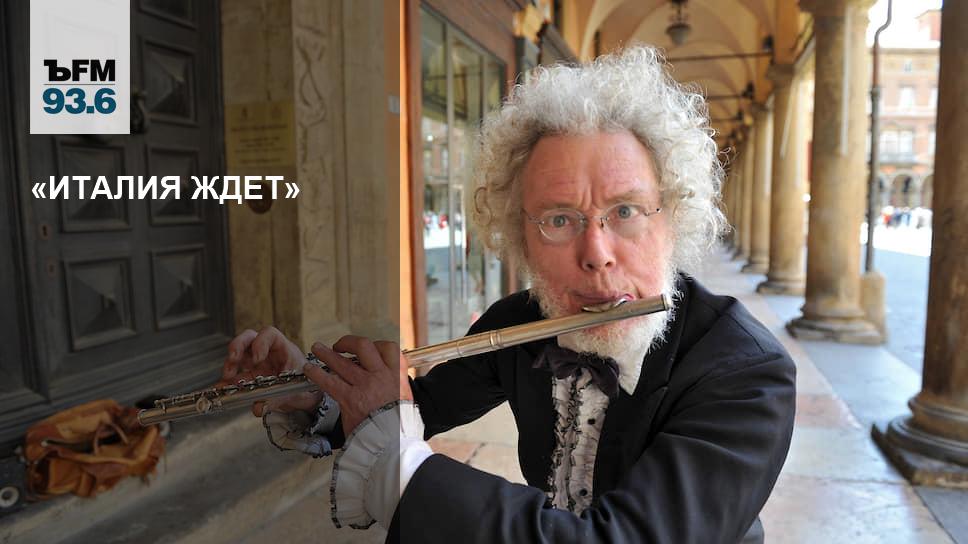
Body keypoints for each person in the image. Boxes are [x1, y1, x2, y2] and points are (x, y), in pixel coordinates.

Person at [221, 45, 796, 543]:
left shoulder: (748, 374)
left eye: (625, 211)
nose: (596, 252)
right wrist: (319, 392)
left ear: (673, 219)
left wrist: (403, 467)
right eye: (559, 219)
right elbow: (419, 405)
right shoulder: (519, 323)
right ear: (521, 238)